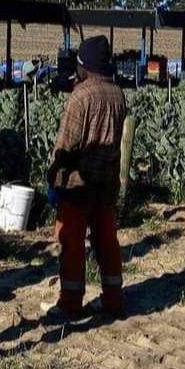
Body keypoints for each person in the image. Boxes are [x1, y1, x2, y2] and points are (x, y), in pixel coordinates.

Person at [45, 35, 127, 319]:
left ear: (86, 66)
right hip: (107, 183)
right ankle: (113, 299)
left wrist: (54, 177)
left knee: (72, 243)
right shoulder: (118, 93)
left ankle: (70, 303)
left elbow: (66, 145)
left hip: (79, 184)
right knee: (107, 242)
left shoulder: (81, 96)